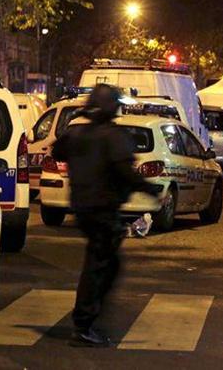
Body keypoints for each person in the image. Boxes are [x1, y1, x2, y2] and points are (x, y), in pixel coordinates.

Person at [52, 84, 161, 348]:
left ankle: (88, 320)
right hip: (103, 209)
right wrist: (150, 190)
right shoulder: (113, 136)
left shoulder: (77, 133)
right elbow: (125, 171)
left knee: (103, 264)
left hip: (82, 207)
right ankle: (85, 324)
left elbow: (57, 151)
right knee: (100, 266)